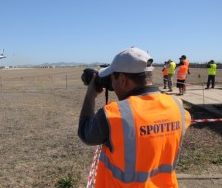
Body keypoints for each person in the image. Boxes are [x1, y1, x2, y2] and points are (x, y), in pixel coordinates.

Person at [78, 47, 191, 188]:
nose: (112, 84)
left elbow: (85, 133)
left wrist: (91, 94)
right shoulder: (177, 106)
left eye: (113, 79)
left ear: (123, 80)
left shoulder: (113, 114)